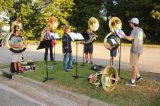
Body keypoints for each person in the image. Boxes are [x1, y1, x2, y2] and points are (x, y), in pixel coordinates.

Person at [123, 18, 146, 86]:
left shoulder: (134, 30)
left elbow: (130, 38)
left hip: (135, 50)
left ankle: (132, 82)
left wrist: (123, 36)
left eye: (130, 22)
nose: (129, 23)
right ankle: (138, 77)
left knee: (134, 65)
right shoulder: (140, 29)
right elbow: (144, 36)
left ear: (133, 23)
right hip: (139, 49)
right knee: (135, 64)